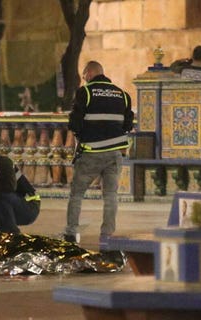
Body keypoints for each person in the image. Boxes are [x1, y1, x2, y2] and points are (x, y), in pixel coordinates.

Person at [64, 60, 134, 248]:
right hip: (115, 154)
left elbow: (74, 123)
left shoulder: (85, 92)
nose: (84, 78)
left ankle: (71, 233)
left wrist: (82, 134)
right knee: (110, 195)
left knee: (77, 194)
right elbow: (128, 124)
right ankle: (107, 234)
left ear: (89, 72)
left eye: (84, 75)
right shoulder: (122, 94)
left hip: (91, 153)